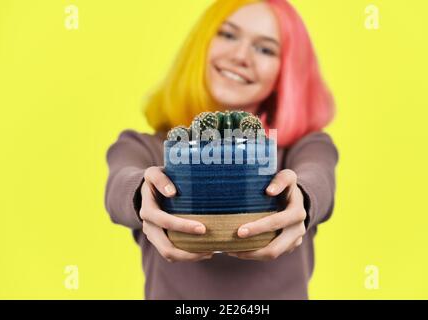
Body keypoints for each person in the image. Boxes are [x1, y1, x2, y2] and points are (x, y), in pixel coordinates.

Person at [105, 0, 338, 299]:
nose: (241, 56)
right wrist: (141, 195)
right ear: (201, 45)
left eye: (265, 49)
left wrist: (302, 200)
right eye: (228, 35)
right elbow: (119, 185)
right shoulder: (146, 148)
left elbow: (318, 178)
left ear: (285, 71)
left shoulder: (304, 148)